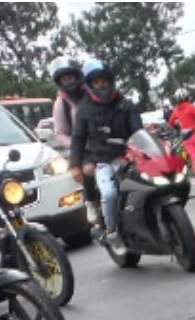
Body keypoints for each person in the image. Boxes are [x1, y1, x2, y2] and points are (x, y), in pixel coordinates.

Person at [69, 60, 143, 254]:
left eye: (104, 81)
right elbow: (77, 138)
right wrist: (74, 165)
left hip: (130, 157)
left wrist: (141, 144)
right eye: (97, 82)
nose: (102, 85)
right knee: (109, 193)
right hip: (104, 161)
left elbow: (138, 130)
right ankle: (111, 232)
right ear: (90, 85)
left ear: (111, 81)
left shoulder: (126, 105)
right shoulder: (84, 110)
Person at [48, 55, 102, 226]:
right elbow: (60, 133)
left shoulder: (93, 90)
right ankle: (91, 202)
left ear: (77, 75)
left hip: (106, 138)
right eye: (64, 79)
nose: (68, 82)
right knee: (88, 170)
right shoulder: (60, 104)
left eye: (70, 77)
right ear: (59, 82)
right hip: (84, 147)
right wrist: (75, 144)